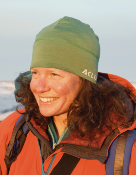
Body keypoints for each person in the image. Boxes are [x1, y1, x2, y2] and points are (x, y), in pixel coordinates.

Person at [0, 16, 136, 175]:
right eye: (35, 73)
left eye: (54, 74)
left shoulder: (126, 146)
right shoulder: (15, 129)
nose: (39, 87)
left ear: (84, 80)